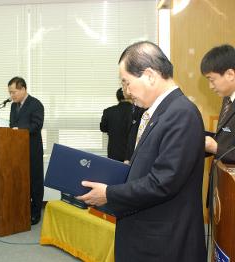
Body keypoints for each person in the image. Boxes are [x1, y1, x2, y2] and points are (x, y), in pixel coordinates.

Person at [77, 41, 207, 262]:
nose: (126, 92)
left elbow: (162, 182)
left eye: (127, 82)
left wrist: (108, 193)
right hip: (147, 233)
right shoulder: (160, 112)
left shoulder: (181, 113)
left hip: (164, 243)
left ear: (149, 75)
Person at [8, 76, 44, 225]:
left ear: (23, 89)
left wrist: (19, 130)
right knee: (21, 182)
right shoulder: (12, 106)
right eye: (10, 93)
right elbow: (11, 125)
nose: (11, 96)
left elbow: (36, 125)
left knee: (35, 182)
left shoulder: (36, 104)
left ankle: (35, 214)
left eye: (14, 92)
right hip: (17, 152)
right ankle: (23, 210)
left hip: (32, 150)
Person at [201, 44, 235, 163]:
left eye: (212, 80)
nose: (210, 86)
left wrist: (215, 148)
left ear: (230, 74)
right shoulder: (227, 99)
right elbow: (227, 138)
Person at [100, 87, 132, 161]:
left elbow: (103, 128)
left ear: (118, 97)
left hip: (114, 152)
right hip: (130, 153)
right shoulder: (136, 111)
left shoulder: (108, 111)